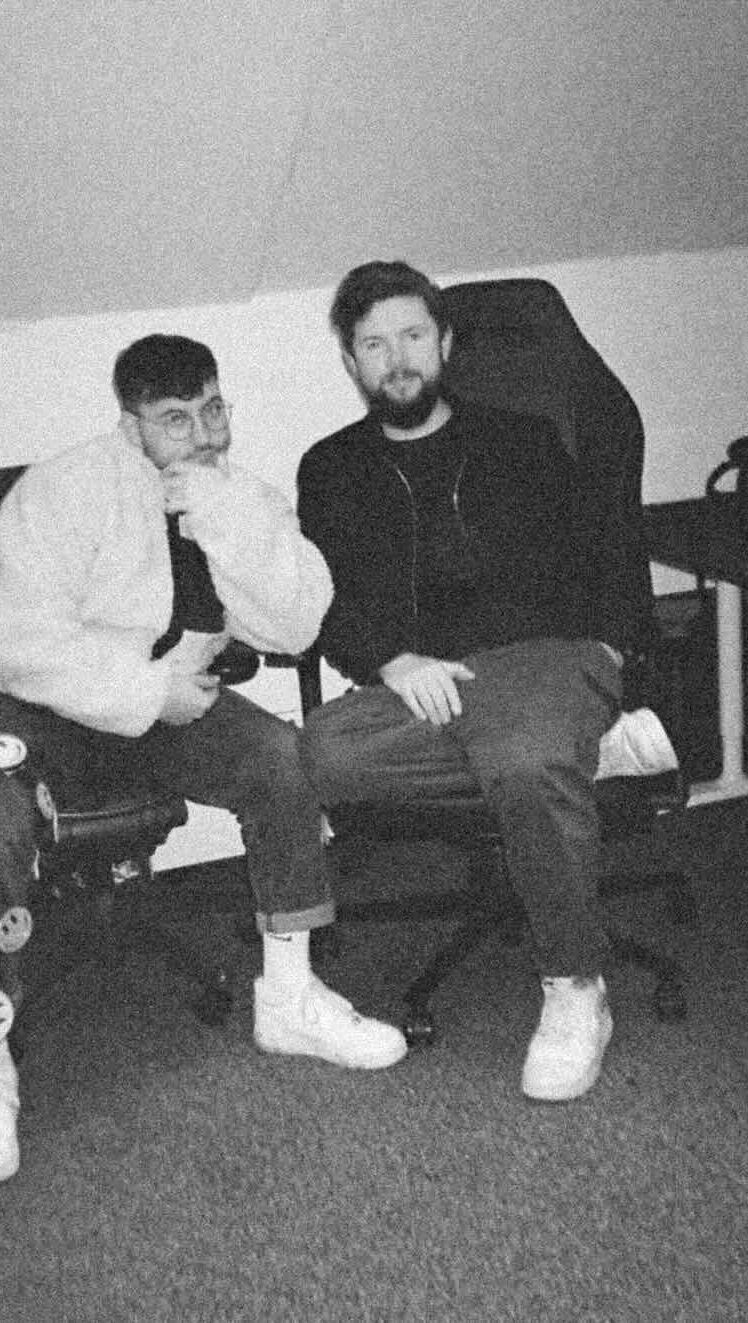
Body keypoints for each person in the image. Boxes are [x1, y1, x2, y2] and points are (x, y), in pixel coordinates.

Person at [0, 334, 408, 1190]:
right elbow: (15, 640)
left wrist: (224, 515)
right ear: (131, 423)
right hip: (26, 698)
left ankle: (289, 997)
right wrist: (148, 690)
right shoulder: (62, 489)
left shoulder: (234, 491)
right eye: (176, 419)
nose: (203, 434)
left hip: (157, 700)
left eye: (213, 410)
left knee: (277, 758)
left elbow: (296, 622)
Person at [296, 261, 677, 1104]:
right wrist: (393, 662)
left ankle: (575, 985)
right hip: (427, 686)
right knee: (320, 753)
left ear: (445, 343)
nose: (397, 358)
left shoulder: (523, 439)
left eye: (411, 335)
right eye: (373, 344)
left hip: (544, 656)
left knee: (521, 750)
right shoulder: (329, 469)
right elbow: (326, 600)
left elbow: (606, 546)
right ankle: (578, 753)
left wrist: (612, 648)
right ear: (351, 361)